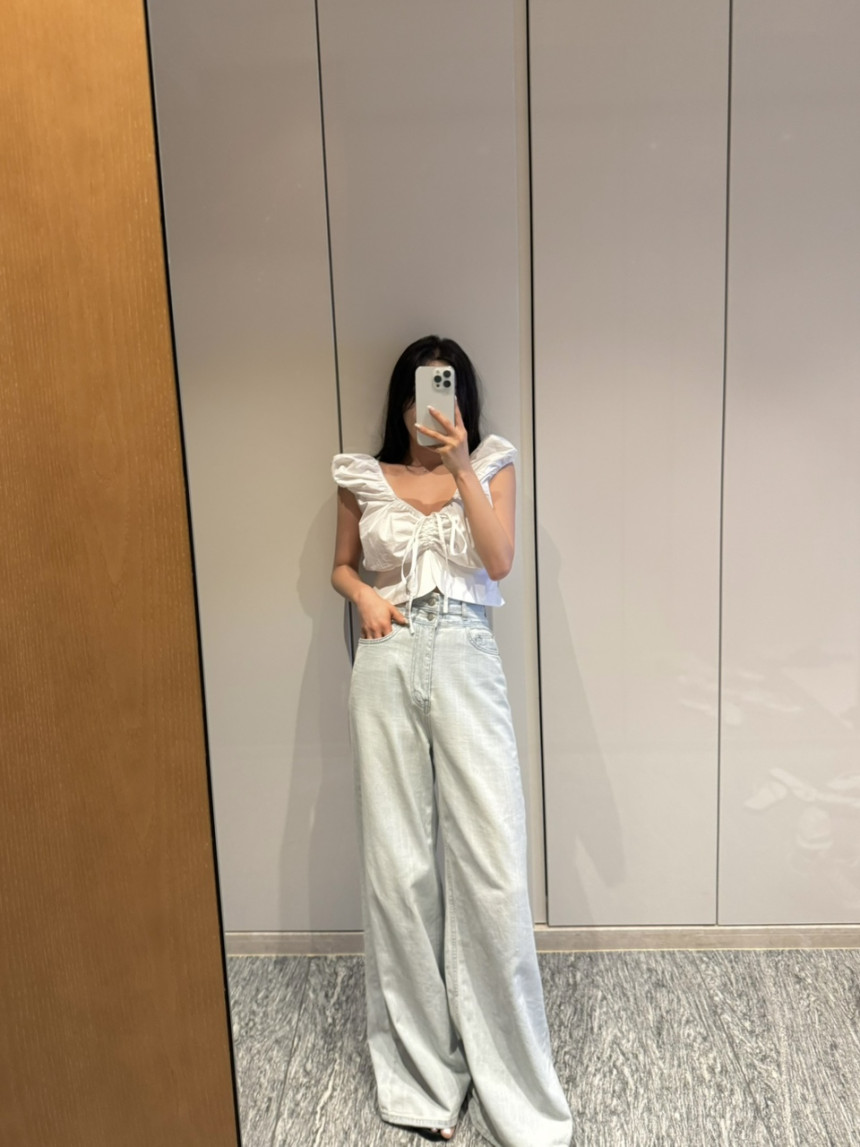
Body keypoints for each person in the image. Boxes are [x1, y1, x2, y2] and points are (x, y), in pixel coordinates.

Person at [331, 336, 573, 1147]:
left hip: (467, 652)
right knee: (398, 870)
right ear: (402, 399)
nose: (432, 403)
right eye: (421, 389)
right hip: (386, 654)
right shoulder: (363, 475)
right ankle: (424, 1083)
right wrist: (365, 593)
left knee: (493, 869)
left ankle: (517, 1093)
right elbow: (340, 565)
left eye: (447, 387)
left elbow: (498, 562)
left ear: (462, 398)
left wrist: (462, 462)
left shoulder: (493, 462)